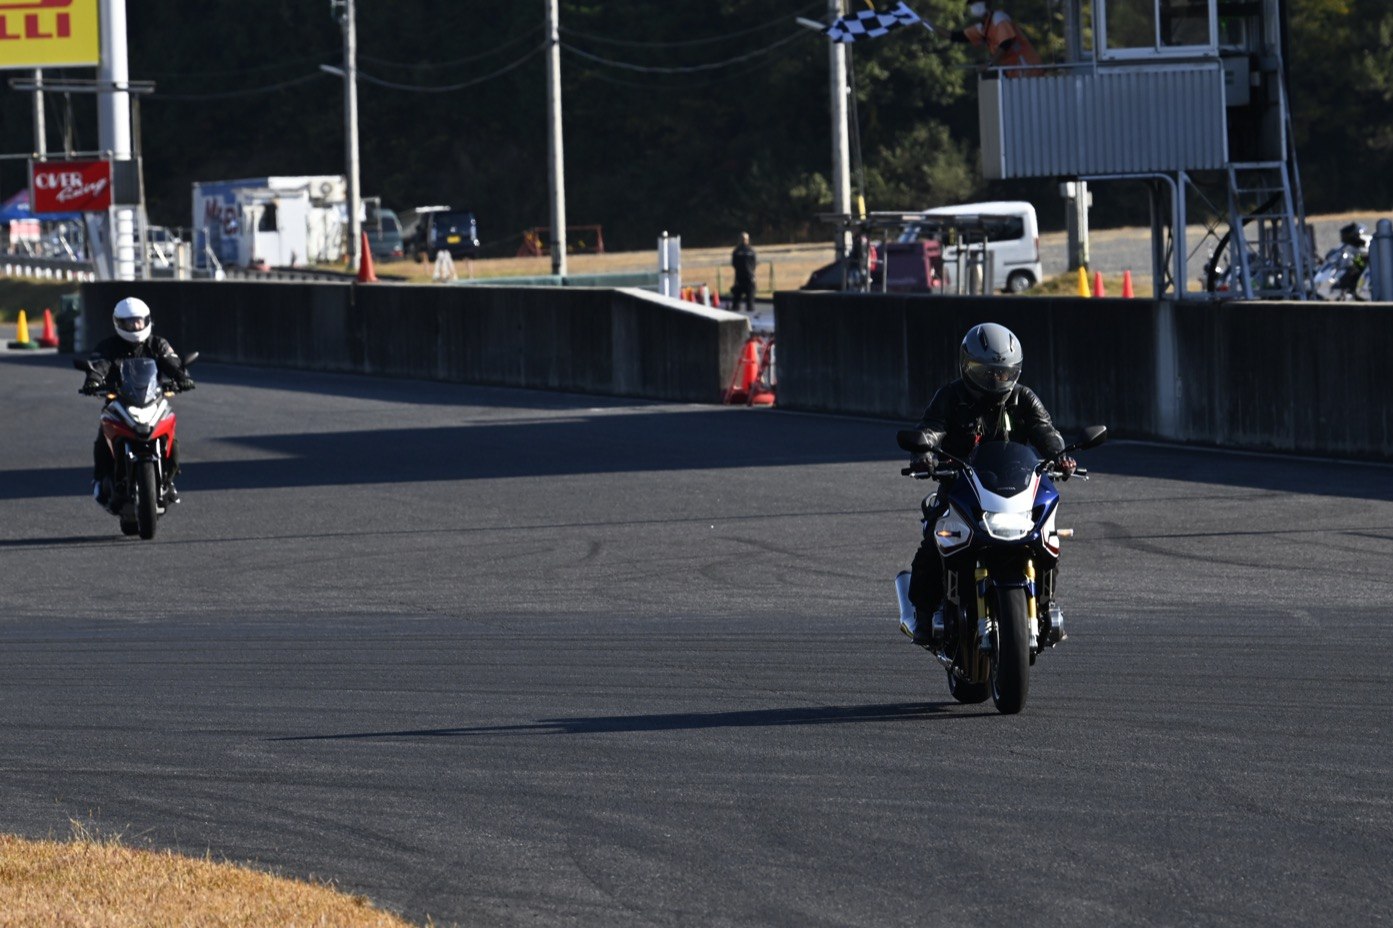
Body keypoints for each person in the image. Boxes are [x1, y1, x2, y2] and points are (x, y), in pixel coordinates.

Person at [901, 322, 1074, 642]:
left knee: (1047, 537)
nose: (996, 379)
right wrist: (923, 453)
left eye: (1004, 373)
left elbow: (1045, 431)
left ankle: (1044, 605)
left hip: (1016, 487)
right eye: (987, 372)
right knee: (934, 539)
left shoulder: (1024, 398)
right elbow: (932, 428)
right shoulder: (951, 397)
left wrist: (1060, 456)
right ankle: (923, 614)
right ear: (967, 367)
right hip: (961, 484)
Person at [80, 297, 195, 507]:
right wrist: (93, 381)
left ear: (147, 320)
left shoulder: (157, 344)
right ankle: (99, 480)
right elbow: (99, 365)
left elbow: (172, 361)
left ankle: (168, 480)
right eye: (130, 322)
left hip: (152, 400)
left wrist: (182, 377)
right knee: (103, 439)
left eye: (139, 321)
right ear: (118, 323)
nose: (135, 326)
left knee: (172, 439)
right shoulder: (108, 346)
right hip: (119, 401)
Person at [949, 1, 1041, 75]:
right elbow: (956, 36)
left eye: (976, 2)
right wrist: (938, 29)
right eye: (972, 4)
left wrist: (989, 64)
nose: (973, 6)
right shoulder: (983, 27)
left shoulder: (999, 18)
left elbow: (1006, 42)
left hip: (1028, 67)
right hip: (1015, 72)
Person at [730, 232, 757, 313]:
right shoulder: (738, 251)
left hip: (748, 279)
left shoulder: (749, 251)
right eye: (743, 239)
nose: (744, 240)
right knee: (736, 305)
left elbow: (754, 264)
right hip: (741, 279)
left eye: (745, 239)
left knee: (750, 304)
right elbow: (735, 264)